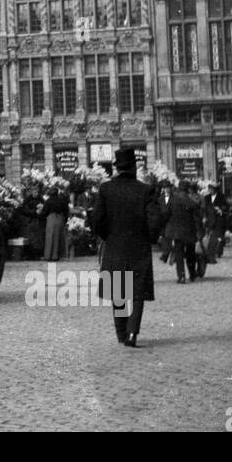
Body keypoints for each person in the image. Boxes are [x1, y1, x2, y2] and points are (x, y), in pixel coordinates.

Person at [87, 148, 163, 347]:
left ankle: (121, 333)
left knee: (118, 290)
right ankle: (132, 333)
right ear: (134, 167)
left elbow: (96, 220)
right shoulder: (146, 190)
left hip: (115, 246)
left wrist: (109, 237)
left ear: (117, 168)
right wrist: (148, 238)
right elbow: (154, 221)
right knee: (137, 292)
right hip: (139, 246)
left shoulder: (106, 189)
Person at [164, 180, 201, 283]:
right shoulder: (192, 202)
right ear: (188, 189)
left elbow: (166, 214)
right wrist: (199, 232)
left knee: (179, 254)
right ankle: (192, 275)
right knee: (191, 253)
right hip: (189, 231)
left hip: (177, 232)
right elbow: (197, 218)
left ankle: (181, 276)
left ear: (178, 188)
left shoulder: (172, 200)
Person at [40, 187, 70, 262]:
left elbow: (44, 213)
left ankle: (48, 255)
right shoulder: (62, 200)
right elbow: (66, 211)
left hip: (51, 218)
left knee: (50, 237)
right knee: (58, 237)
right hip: (60, 218)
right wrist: (65, 220)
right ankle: (56, 256)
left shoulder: (48, 201)